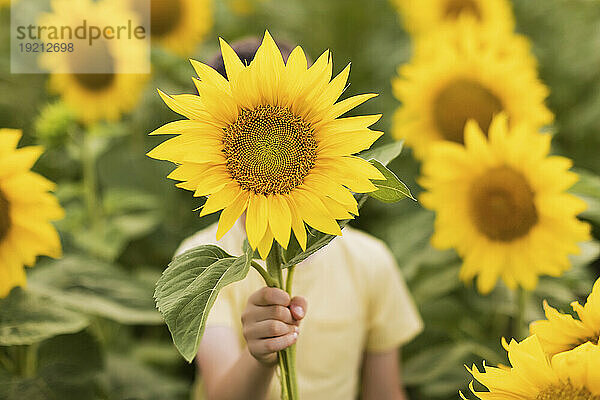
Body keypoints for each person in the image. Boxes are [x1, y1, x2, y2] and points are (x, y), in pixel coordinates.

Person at [179, 38, 423, 400]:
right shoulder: (201, 257)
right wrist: (260, 357)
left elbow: (385, 392)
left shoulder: (370, 262)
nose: (268, 148)